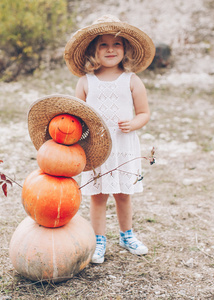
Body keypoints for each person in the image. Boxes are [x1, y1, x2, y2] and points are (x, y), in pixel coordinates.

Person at [64, 15, 156, 264]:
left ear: (125, 49)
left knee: (123, 195)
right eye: (103, 44)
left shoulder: (131, 80)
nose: (110, 49)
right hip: (97, 148)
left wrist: (134, 123)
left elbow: (144, 113)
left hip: (124, 147)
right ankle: (98, 240)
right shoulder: (86, 82)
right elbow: (77, 116)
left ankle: (127, 235)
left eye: (116, 44)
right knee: (98, 196)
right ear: (94, 50)